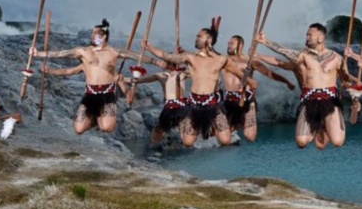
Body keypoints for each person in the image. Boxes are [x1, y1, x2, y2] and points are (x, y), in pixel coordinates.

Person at [30, 18, 166, 135]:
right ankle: (93, 120)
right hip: (90, 95)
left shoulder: (113, 52)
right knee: (78, 129)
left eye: (96, 33)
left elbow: (136, 56)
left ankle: (101, 120)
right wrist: (38, 54)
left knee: (106, 128)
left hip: (107, 94)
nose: (92, 36)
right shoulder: (83, 51)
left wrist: (155, 61)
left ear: (105, 36)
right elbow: (61, 54)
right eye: (92, 33)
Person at [142, 22, 257, 147]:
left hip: (213, 104)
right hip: (195, 105)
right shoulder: (190, 57)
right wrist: (150, 48)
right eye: (196, 36)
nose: (196, 39)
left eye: (199, 36)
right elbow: (168, 56)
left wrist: (251, 82)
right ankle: (199, 127)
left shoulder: (221, 60)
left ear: (208, 39)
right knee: (187, 142)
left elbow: (238, 72)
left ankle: (213, 128)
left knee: (225, 140)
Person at [256, 23, 351, 149]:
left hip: (330, 101)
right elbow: (283, 53)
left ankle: (325, 126)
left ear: (320, 38)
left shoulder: (337, 58)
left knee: (338, 142)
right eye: (306, 35)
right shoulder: (302, 56)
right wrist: (265, 41)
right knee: (301, 142)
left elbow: (346, 79)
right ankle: (318, 126)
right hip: (310, 101)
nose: (306, 37)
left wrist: (345, 66)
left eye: (309, 35)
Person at [222, 34, 296, 142]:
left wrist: (287, 82)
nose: (228, 45)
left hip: (246, 99)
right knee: (224, 139)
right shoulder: (223, 60)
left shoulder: (250, 61)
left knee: (250, 136)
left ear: (240, 45)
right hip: (229, 100)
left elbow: (269, 73)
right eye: (228, 43)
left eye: (231, 43)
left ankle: (240, 125)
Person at [125, 68, 190, 145]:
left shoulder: (182, 74)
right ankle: (154, 145)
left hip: (181, 107)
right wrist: (129, 79)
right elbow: (138, 80)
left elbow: (197, 73)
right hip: (169, 108)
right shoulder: (160, 76)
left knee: (183, 130)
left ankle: (185, 141)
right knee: (159, 129)